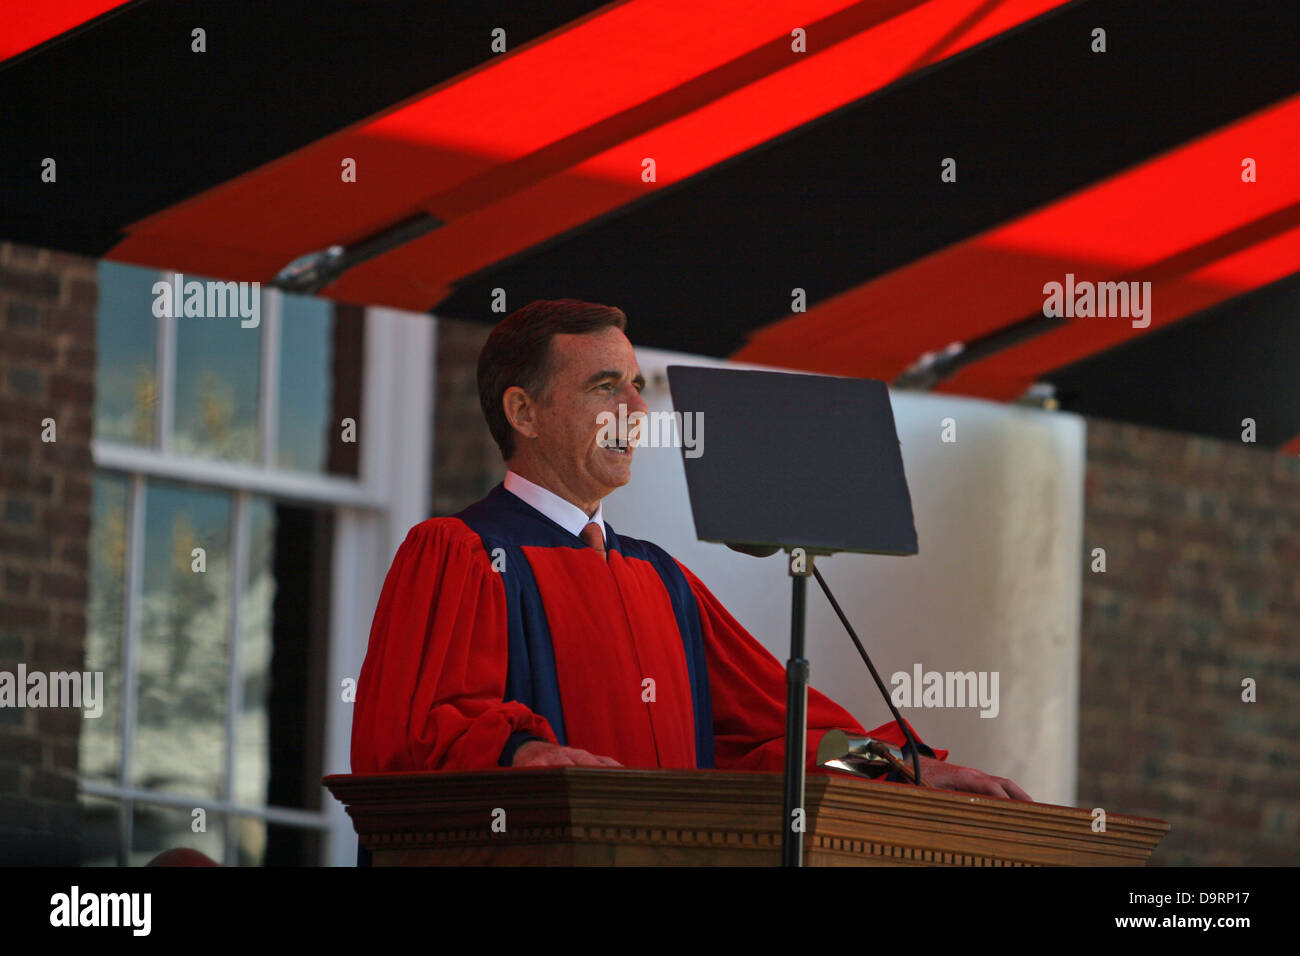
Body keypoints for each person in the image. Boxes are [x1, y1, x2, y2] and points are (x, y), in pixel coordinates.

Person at [350, 299, 1031, 802]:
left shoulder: (661, 579)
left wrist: (893, 764)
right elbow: (415, 735)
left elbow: (774, 736)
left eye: (638, 386)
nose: (636, 411)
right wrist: (525, 753)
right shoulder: (462, 554)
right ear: (524, 413)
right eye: (604, 387)